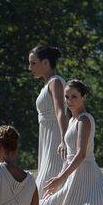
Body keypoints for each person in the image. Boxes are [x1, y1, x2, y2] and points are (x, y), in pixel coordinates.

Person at [28, 45, 69, 191]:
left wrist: (64, 139)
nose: (29, 67)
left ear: (45, 62)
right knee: (45, 176)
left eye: (33, 63)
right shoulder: (47, 84)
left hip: (55, 136)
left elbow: (61, 111)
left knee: (48, 178)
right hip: (46, 135)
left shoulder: (55, 82)